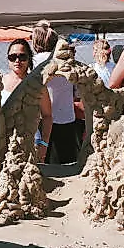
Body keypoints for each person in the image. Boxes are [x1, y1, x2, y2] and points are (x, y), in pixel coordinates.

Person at [32, 22, 81, 164]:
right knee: (68, 163)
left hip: (44, 121)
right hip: (68, 118)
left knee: (44, 165)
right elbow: (76, 91)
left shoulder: (35, 62)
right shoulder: (68, 62)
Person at [0, 38, 53, 161]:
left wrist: (44, 145)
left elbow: (47, 116)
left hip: (31, 142)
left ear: (29, 59)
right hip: (4, 142)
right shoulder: (0, 82)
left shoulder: (38, 85)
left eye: (22, 57)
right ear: (8, 59)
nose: (17, 61)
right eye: (13, 57)